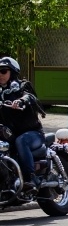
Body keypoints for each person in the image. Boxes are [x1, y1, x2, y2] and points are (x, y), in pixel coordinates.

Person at [0, 57, 47, 190]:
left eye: (4, 71)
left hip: (32, 133)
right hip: (10, 133)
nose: (0, 75)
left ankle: (29, 178)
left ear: (13, 72)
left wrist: (21, 101)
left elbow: (30, 96)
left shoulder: (22, 86)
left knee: (21, 141)